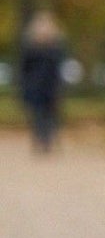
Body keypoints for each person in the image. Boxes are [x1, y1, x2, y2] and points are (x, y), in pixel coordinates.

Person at [19, 11, 67, 153]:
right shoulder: (30, 48)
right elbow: (24, 68)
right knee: (38, 114)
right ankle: (40, 138)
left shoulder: (56, 47)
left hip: (51, 86)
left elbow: (58, 68)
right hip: (35, 86)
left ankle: (47, 139)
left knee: (50, 114)